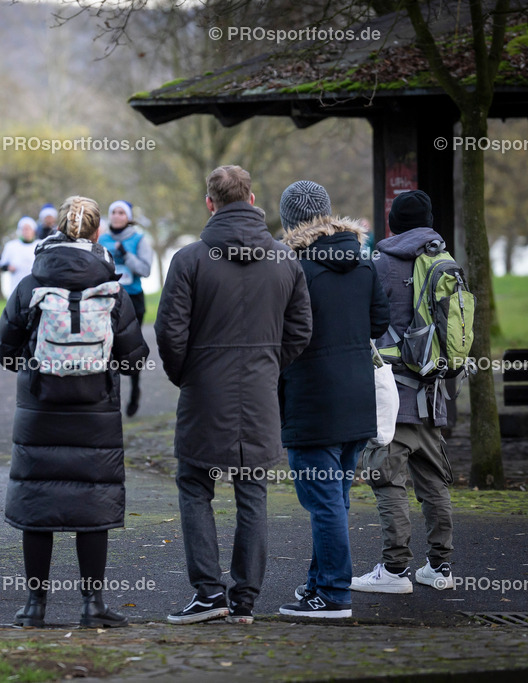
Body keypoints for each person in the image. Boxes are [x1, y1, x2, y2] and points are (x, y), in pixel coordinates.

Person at [155, 165, 312, 625]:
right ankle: (244, 599)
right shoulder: (286, 259)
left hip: (205, 393)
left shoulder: (189, 260)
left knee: (194, 486)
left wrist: (188, 373)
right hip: (260, 392)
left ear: (210, 203)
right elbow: (300, 330)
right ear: (252, 198)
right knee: (252, 493)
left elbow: (169, 333)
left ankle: (208, 593)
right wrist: (267, 365)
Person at [0, 195, 149, 629]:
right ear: (98, 233)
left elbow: (3, 351)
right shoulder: (113, 290)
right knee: (91, 506)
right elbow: (134, 358)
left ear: (56, 230)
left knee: (37, 505)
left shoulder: (30, 285)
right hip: (95, 416)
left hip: (39, 412)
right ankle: (92, 605)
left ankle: (34, 607)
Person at [274, 181, 390, 618]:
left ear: (290, 222)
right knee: (335, 500)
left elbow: (283, 334)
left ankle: (335, 594)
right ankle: (318, 585)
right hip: (357, 398)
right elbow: (380, 322)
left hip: (311, 401)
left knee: (324, 503)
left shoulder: (294, 269)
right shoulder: (363, 265)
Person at [352, 189, 457, 593]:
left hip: (391, 395)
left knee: (388, 480)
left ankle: (395, 572)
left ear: (392, 221)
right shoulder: (446, 263)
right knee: (434, 483)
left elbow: (365, 323)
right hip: (433, 395)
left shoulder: (377, 264)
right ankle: (440, 568)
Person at [99, 200, 154, 416]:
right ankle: (110, 396)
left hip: (133, 300)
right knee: (107, 349)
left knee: (130, 349)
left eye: (121, 212)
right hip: (107, 300)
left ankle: (135, 389)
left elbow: (146, 270)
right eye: (113, 212)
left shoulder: (139, 239)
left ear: (128, 217)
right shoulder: (102, 239)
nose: (117, 216)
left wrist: (126, 254)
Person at [0, 216, 39, 297]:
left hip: (35, 288)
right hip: (16, 288)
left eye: (28, 228)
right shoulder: (11, 246)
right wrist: (9, 267)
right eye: (23, 229)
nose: (26, 231)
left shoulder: (40, 244)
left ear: (33, 230)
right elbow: (2, 265)